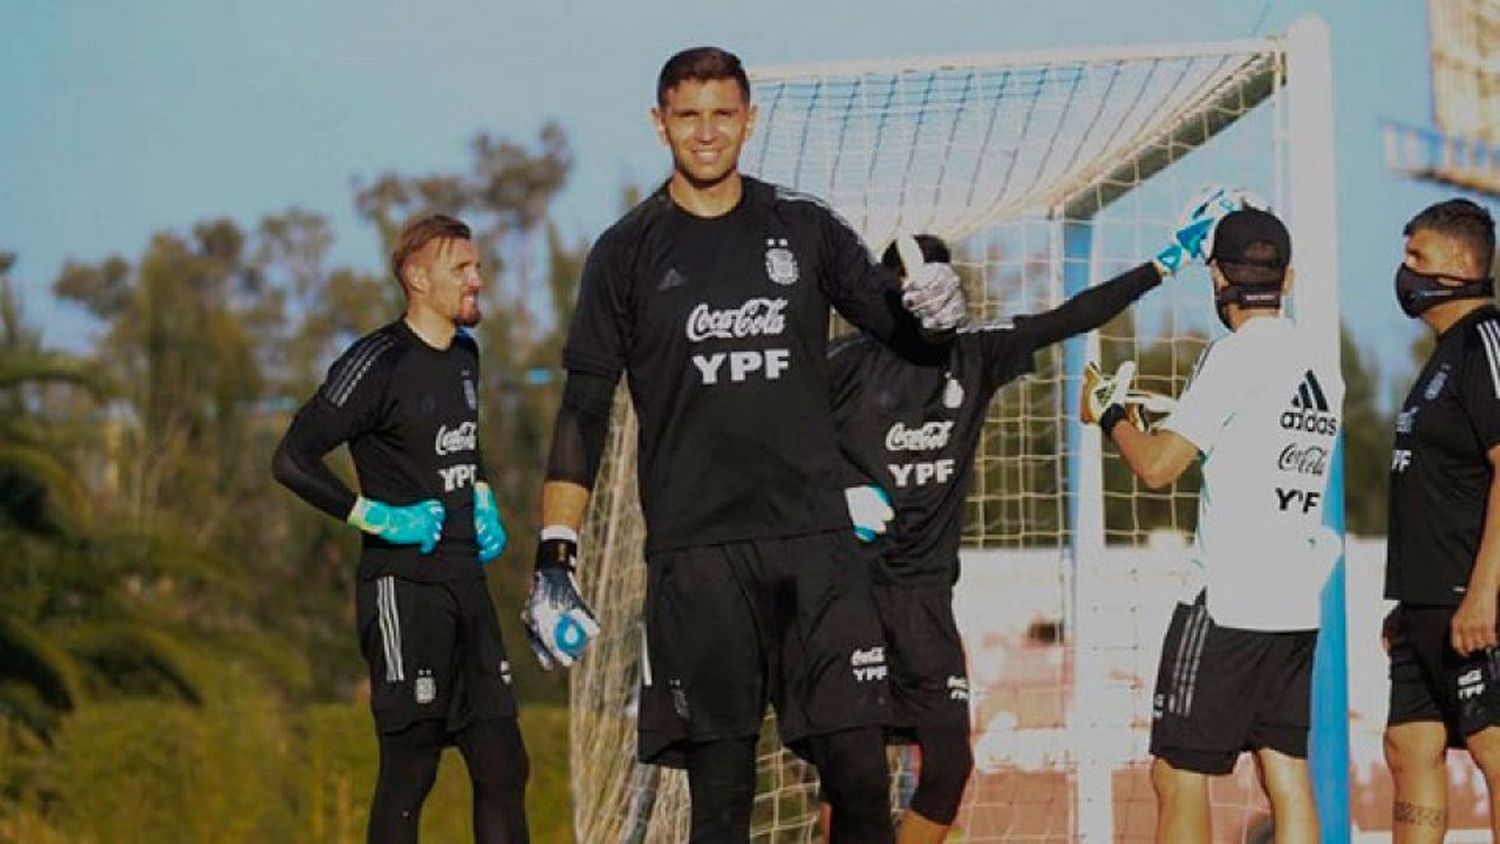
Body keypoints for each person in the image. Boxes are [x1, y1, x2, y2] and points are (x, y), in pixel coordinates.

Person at [520, 46, 966, 843]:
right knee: (722, 798)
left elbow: (899, 330)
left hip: (816, 546)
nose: (705, 133)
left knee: (860, 772)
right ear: (659, 124)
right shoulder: (625, 253)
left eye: (722, 114)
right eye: (687, 116)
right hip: (698, 556)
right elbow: (583, 408)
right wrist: (556, 553)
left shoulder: (803, 226)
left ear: (749, 120)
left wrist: (933, 312)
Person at [817, 197, 1243, 842]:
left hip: (925, 599)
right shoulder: (846, 365)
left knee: (950, 766)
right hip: (848, 595)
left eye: (943, 286)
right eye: (916, 288)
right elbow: (767, 437)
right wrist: (836, 494)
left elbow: (1076, 314)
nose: (934, 301)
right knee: (853, 775)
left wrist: (1166, 263)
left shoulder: (977, 353)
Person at [1083, 205, 1341, 843]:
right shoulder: (1322, 367)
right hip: (1293, 603)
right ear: (1288, 280)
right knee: (1285, 772)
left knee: (1177, 772)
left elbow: (1158, 468)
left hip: (1225, 600)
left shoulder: (1231, 357)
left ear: (1219, 281)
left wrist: (1111, 411)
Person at [271, 215, 529, 843]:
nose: (477, 279)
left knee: (503, 766)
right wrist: (374, 516)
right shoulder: (374, 361)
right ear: (417, 278)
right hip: (403, 590)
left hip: (469, 588)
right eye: (461, 269)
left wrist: (486, 495)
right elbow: (291, 459)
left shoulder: (467, 354)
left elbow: (461, 447)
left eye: (476, 266)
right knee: (411, 773)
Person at [1380, 198, 1500, 843]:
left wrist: (1482, 593)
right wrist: (1411, 602)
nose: (1403, 271)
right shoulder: (1442, 354)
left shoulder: (1487, 342)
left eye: (1415, 256)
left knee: (1494, 751)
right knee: (1407, 746)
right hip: (1428, 602)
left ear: (1455, 263)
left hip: (1473, 602)